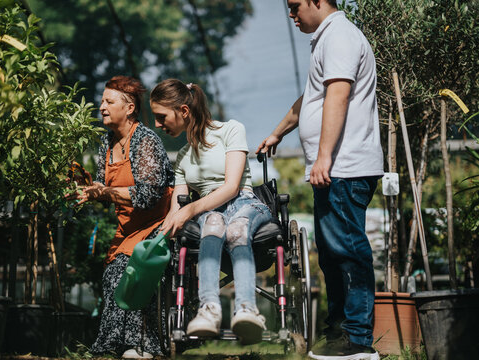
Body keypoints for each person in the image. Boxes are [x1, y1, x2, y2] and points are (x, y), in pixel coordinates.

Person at [257, 1, 383, 359]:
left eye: (296, 6)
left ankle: (358, 341)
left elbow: (338, 95)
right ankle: (339, 331)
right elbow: (312, 98)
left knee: (348, 251)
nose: (291, 14)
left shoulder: (340, 36)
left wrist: (325, 155)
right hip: (334, 168)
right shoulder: (325, 40)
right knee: (331, 254)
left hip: (344, 166)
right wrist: (277, 133)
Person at [150, 79, 272, 345]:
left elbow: (230, 188)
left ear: (183, 111)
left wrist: (191, 208)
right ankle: (209, 310)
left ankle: (247, 310)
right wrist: (162, 232)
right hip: (210, 212)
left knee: (236, 227)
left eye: (161, 117)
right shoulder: (181, 156)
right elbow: (177, 208)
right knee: (214, 223)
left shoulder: (230, 130)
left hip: (244, 202)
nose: (158, 125)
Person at [68, 75, 174, 359]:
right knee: (111, 273)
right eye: (102, 101)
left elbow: (150, 194)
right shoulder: (107, 142)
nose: (101, 106)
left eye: (108, 101)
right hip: (127, 226)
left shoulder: (145, 139)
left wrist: (105, 193)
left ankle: (140, 345)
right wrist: (89, 190)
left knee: (126, 272)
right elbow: (105, 186)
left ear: (128, 108)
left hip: (159, 223)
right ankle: (121, 344)